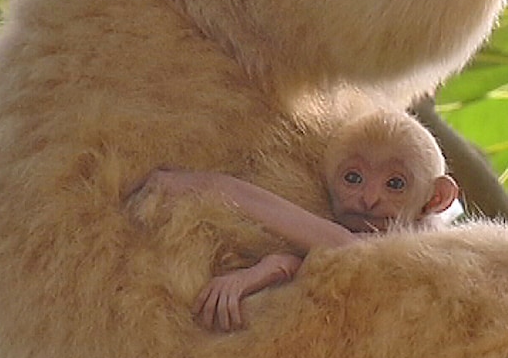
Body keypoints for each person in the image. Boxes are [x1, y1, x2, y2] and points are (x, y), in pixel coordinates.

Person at [149, 109, 460, 330]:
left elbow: (350, 248)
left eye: (395, 184)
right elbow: (322, 260)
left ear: (435, 199)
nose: (369, 199)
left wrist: (211, 186)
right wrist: (255, 274)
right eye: (353, 178)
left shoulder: (430, 241)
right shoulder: (360, 238)